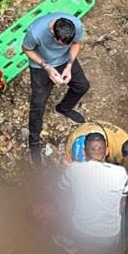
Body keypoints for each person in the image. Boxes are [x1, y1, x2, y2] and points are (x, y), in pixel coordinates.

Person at [60, 131, 128, 254]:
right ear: (106, 152)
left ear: (84, 153)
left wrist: (67, 169)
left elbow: (63, 191)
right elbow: (122, 203)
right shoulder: (120, 173)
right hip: (108, 232)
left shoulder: (73, 170)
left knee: (86, 245)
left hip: (81, 228)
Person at [23, 12, 89, 163]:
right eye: (60, 44)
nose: (62, 47)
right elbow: (26, 49)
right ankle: (33, 141)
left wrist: (69, 66)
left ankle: (63, 108)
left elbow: (76, 44)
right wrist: (47, 67)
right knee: (38, 105)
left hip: (65, 61)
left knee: (82, 86)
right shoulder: (35, 32)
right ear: (53, 32)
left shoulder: (76, 25)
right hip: (41, 66)